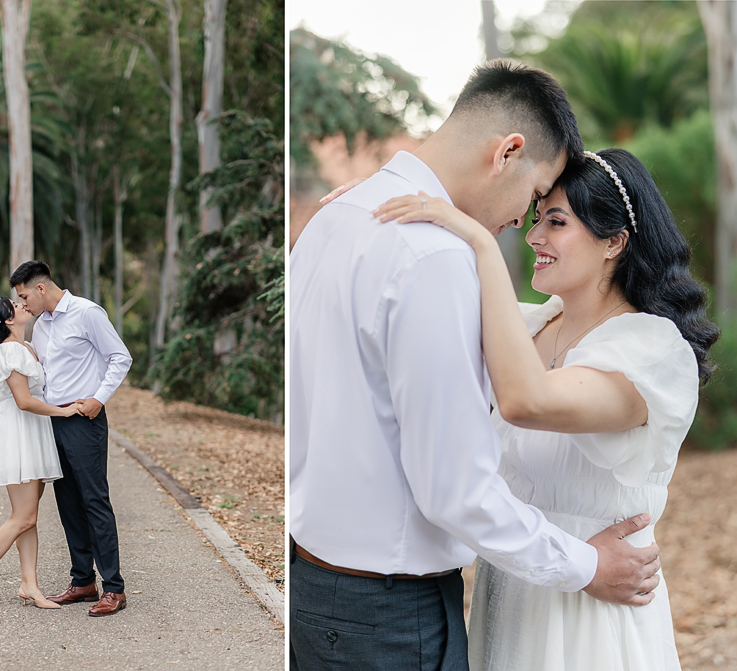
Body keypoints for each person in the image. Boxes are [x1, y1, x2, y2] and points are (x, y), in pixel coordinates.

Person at [289, 60, 661, 671]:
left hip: (315, 587)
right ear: (507, 153)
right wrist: (589, 566)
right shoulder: (432, 257)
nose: (523, 222)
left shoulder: (333, 220)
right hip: (385, 615)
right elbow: (457, 490)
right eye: (536, 196)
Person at [372, 147, 718, 670]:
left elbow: (527, 401)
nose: (534, 237)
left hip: (593, 612)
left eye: (556, 222)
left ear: (614, 242)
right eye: (536, 219)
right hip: (514, 594)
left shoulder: (653, 351)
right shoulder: (530, 325)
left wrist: (482, 247)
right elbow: (415, 299)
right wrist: (360, 213)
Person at [10, 260, 132, 618]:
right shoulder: (42, 326)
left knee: (95, 500)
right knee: (67, 502)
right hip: (53, 420)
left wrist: (98, 399)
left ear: (41, 289)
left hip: (83, 417)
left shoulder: (87, 313)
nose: (23, 304)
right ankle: (82, 581)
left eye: (24, 296)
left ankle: (114, 588)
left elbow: (120, 357)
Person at [0, 296, 83, 610]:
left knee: (29, 518)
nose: (22, 305)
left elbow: (6, 399)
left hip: (32, 434)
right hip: (19, 435)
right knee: (23, 516)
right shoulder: (9, 351)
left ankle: (29, 585)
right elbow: (23, 401)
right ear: (7, 320)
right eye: (15, 306)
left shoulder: (28, 348)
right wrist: (65, 412)